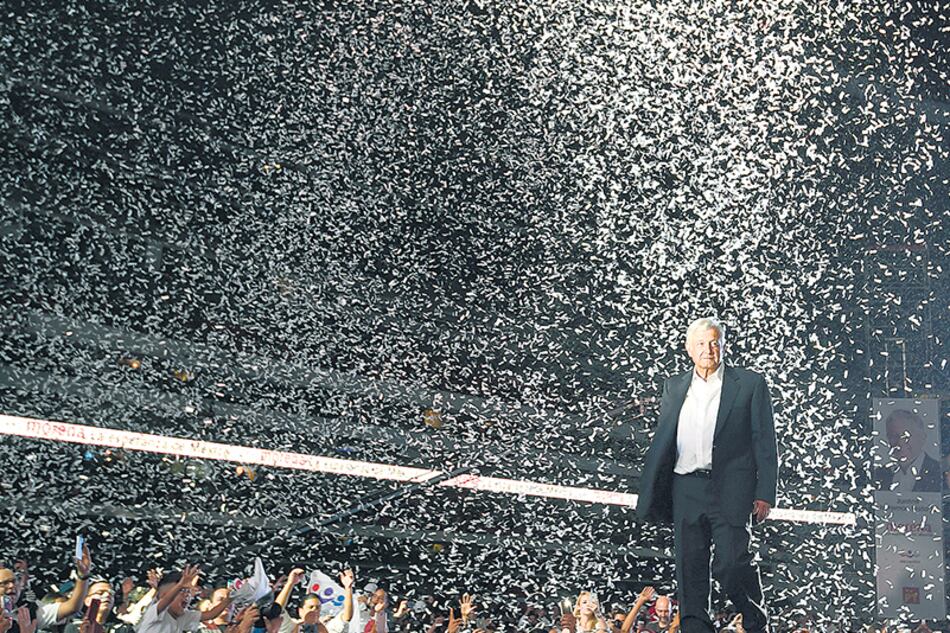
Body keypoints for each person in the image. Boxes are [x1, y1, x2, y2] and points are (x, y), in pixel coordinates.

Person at [636, 317, 778, 633]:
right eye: (701, 343)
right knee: (690, 569)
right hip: (684, 485)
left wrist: (765, 491)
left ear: (723, 346)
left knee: (731, 563)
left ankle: (755, 620)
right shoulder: (673, 386)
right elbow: (664, 438)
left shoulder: (751, 384)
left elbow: (764, 441)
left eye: (714, 342)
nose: (708, 349)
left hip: (731, 487)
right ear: (689, 349)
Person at [137, 566, 231, 633]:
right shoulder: (154, 613)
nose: (187, 595)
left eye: (188, 592)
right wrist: (180, 585)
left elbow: (210, 615)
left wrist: (230, 598)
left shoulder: (183, 616)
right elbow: (165, 600)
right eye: (182, 591)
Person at [874, 409, 942, 493]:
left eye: (906, 436)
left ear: (922, 438)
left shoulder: (940, 472)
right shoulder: (879, 475)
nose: (900, 442)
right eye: (893, 436)